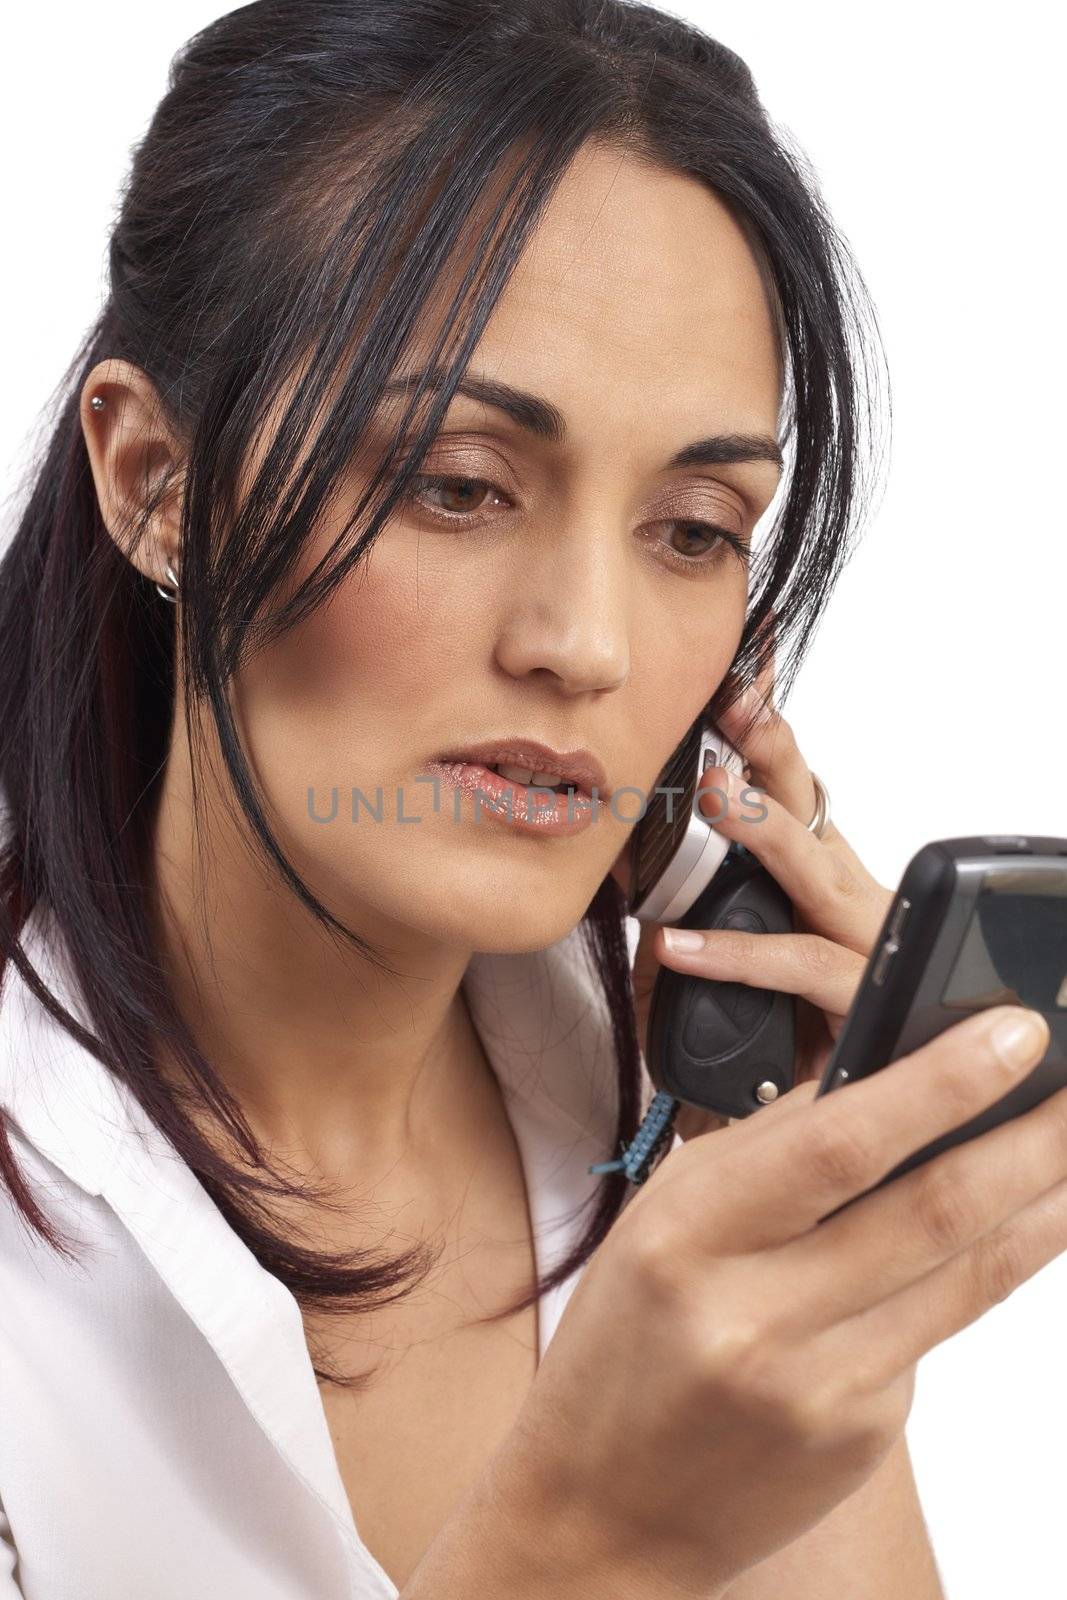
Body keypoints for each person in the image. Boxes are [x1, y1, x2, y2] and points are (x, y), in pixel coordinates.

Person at [0, 3, 1059, 1597]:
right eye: (458, 485)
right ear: (157, 486)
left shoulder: (674, 1112)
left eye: (696, 526)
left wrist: (801, 1250)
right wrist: (591, 1541)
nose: (588, 646)